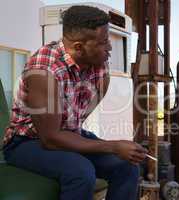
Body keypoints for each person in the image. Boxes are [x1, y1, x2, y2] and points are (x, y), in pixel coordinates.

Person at [2, 5, 147, 200]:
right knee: (81, 172)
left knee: (128, 166)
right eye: (104, 42)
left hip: (66, 134)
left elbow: (81, 115)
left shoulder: (99, 65)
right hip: (26, 142)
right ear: (79, 47)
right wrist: (113, 146)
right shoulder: (44, 70)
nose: (110, 48)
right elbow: (50, 138)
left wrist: (109, 146)